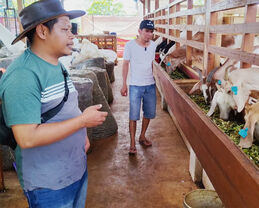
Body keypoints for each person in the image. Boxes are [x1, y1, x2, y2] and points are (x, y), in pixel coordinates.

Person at [0, 0, 107, 207]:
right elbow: (27, 138)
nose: (72, 35)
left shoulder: (56, 65)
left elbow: (67, 108)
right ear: (42, 31)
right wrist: (82, 122)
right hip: (49, 185)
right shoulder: (23, 75)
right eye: (65, 29)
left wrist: (82, 132)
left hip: (74, 169)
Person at [120, 20, 157, 155]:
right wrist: (124, 83)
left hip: (150, 85)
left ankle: (142, 136)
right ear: (139, 31)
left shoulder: (153, 45)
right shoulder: (130, 46)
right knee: (134, 114)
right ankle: (132, 142)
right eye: (146, 31)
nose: (149, 34)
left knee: (149, 113)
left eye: (151, 32)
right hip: (135, 85)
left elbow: (152, 63)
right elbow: (125, 64)